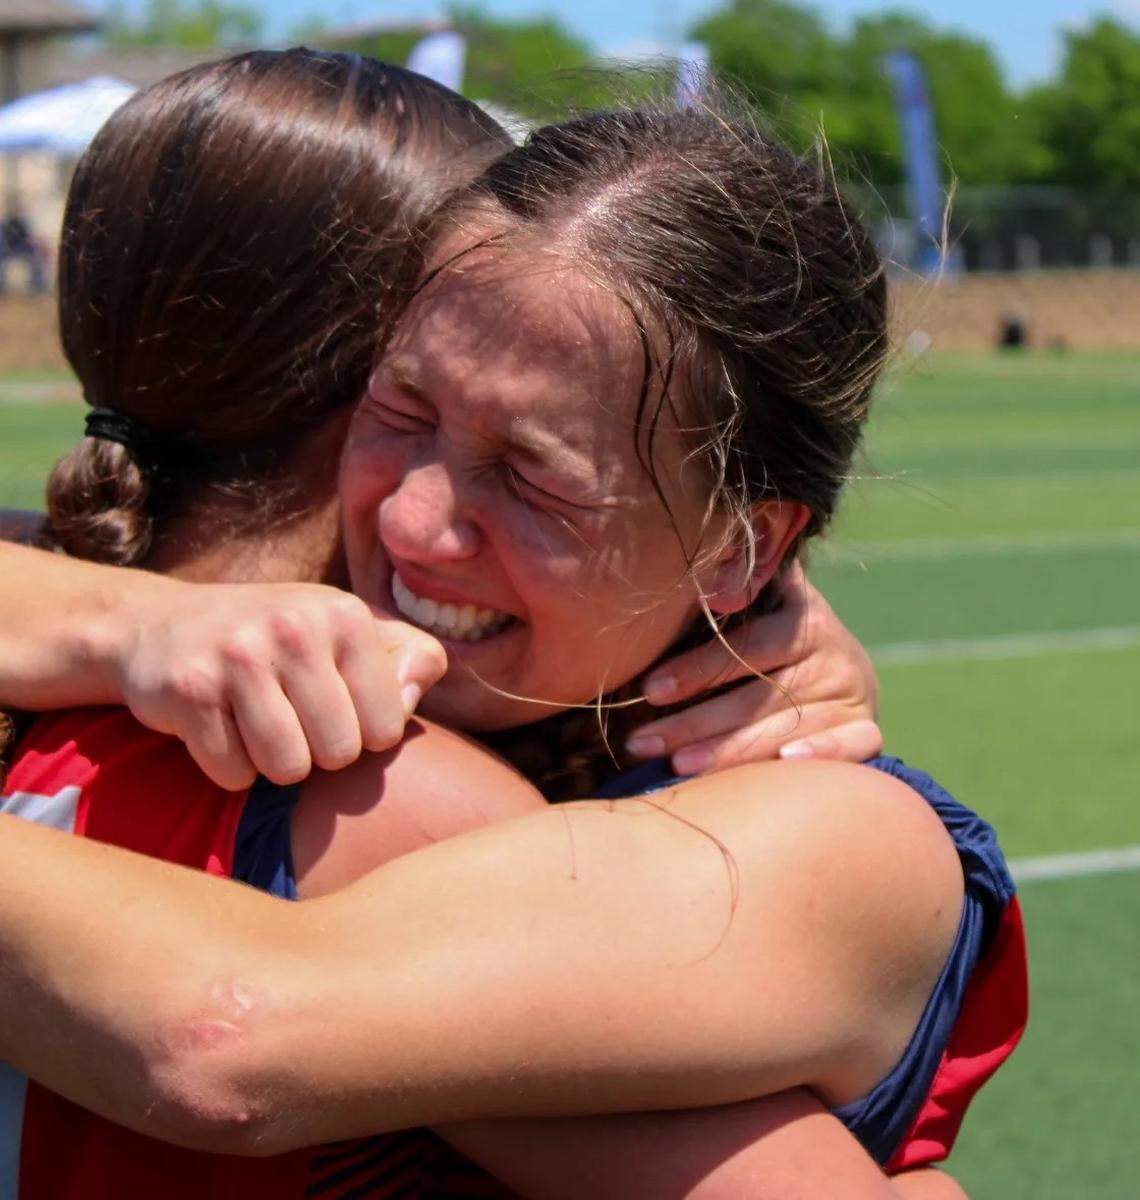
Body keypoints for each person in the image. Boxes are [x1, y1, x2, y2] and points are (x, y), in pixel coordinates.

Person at [0, 91, 1024, 1199]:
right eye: (396, 407)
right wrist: (129, 622)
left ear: (742, 546)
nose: (411, 522)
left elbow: (223, 1040)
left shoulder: (820, 837)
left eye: (533, 475)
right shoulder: (264, 722)